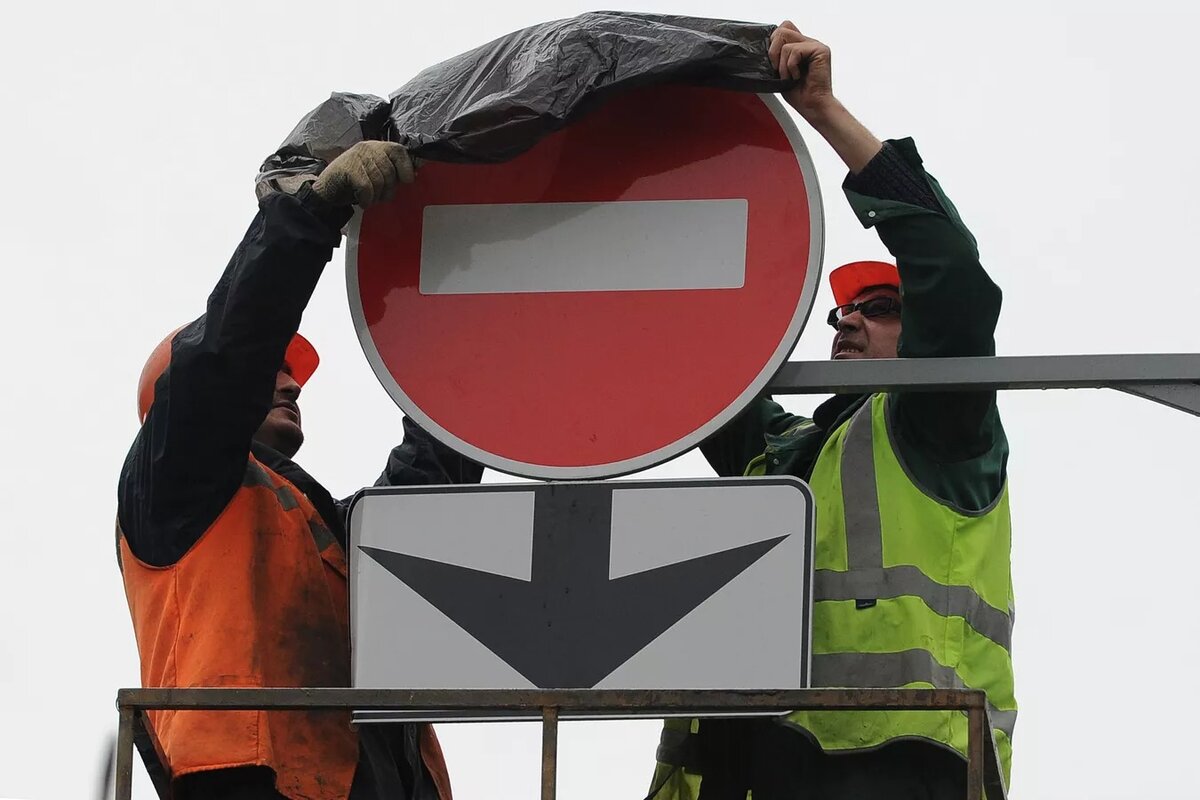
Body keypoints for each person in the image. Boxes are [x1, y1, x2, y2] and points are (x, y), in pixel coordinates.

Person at [650, 21, 1016, 800]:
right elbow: (683, 354)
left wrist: (823, 113)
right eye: (841, 314)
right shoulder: (784, 453)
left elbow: (951, 269)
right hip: (752, 767)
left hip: (897, 763)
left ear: (922, 336)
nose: (847, 320)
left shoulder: (941, 431)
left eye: (879, 308)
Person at [116, 142, 482, 800]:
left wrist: (469, 339)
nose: (292, 385)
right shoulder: (174, 482)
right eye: (275, 370)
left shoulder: (317, 532)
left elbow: (424, 499)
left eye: (292, 372)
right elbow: (229, 351)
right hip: (247, 784)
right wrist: (311, 212)